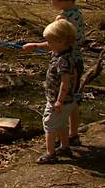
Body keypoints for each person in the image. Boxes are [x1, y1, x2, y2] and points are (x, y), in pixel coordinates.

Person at [22, 0, 85, 146]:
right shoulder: (78, 13)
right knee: (72, 101)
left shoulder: (62, 20)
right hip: (77, 62)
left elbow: (54, 43)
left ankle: (58, 135)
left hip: (63, 64)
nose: (51, 2)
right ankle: (73, 134)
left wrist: (35, 45)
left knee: (59, 99)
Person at [24, 18, 80, 164]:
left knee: (49, 124)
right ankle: (65, 147)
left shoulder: (63, 60)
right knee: (61, 124)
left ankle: (50, 153)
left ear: (61, 42)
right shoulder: (65, 50)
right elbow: (51, 44)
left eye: (50, 42)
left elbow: (65, 82)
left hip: (59, 100)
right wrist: (35, 45)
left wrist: (59, 101)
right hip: (65, 100)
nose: (48, 45)